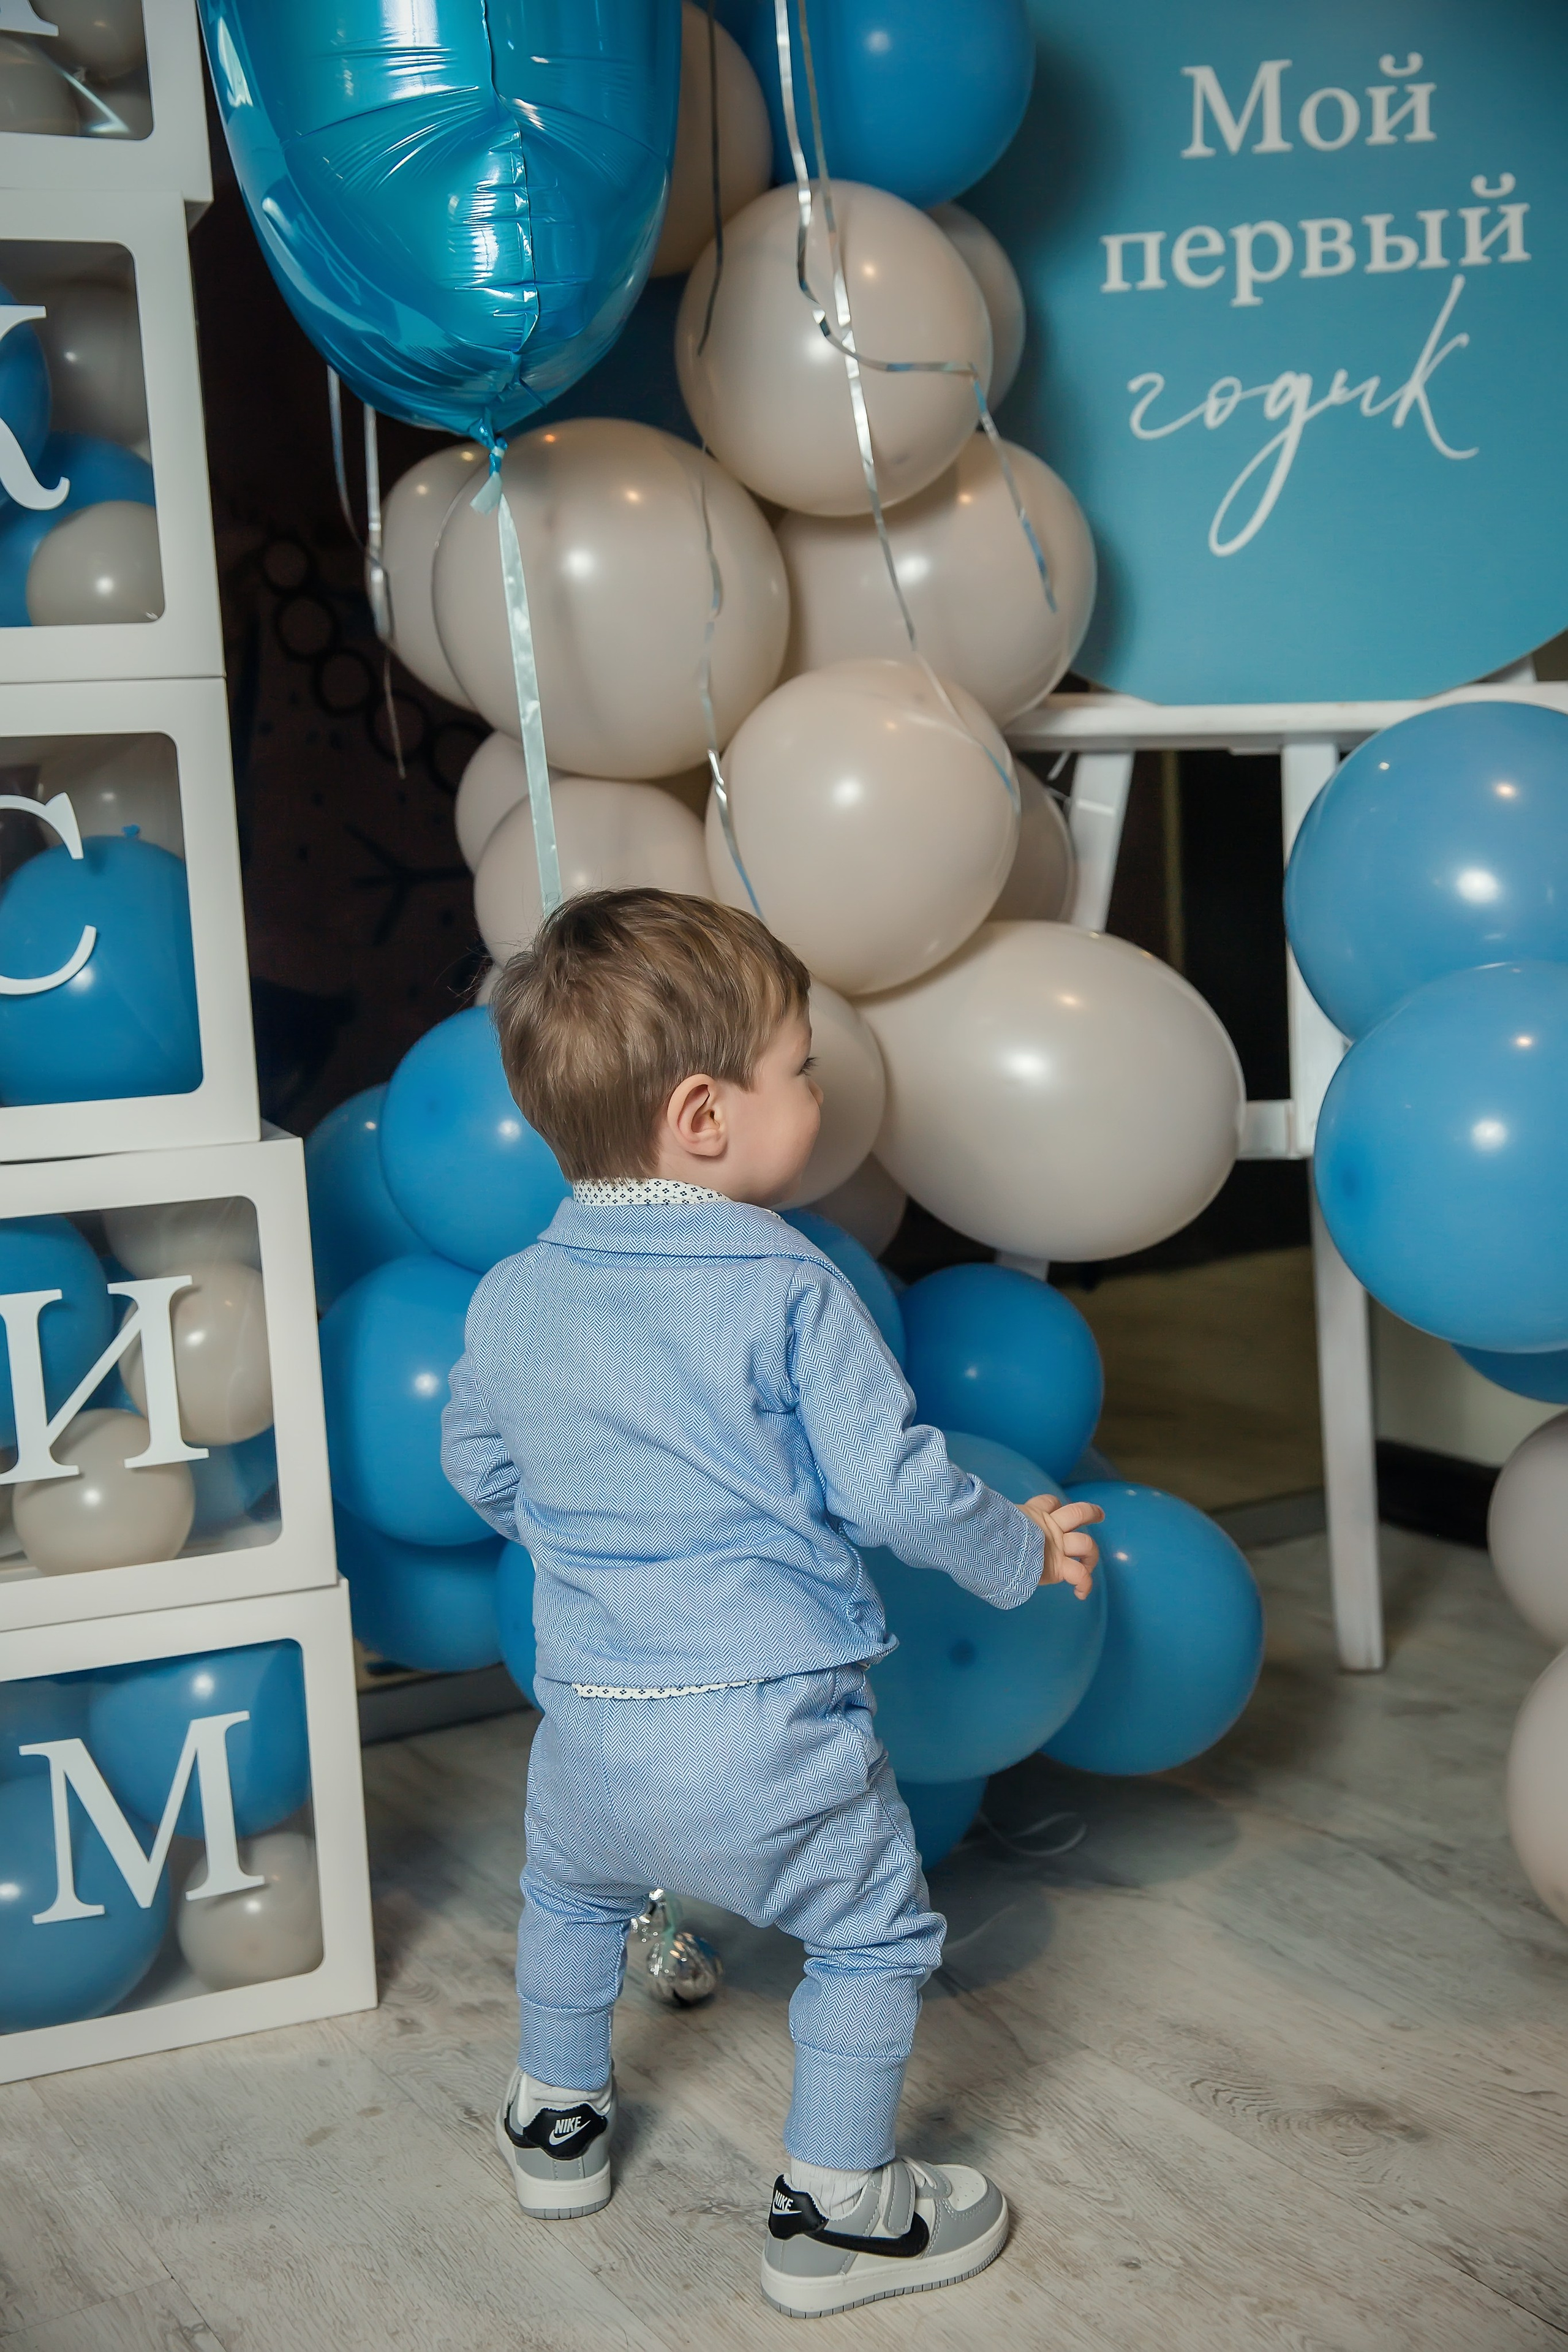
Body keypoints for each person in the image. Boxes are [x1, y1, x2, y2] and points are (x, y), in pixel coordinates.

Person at [442, 888, 1102, 2319]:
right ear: (702, 1116)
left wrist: (590, 1541)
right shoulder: (788, 1285)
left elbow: (479, 1465)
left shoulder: (509, 1297)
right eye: (799, 1068)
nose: (816, 1091)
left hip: (592, 1728)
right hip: (767, 1731)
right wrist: (1018, 1548)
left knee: (566, 1890)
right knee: (869, 1938)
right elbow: (895, 1491)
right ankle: (838, 2214)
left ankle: (553, 2123)